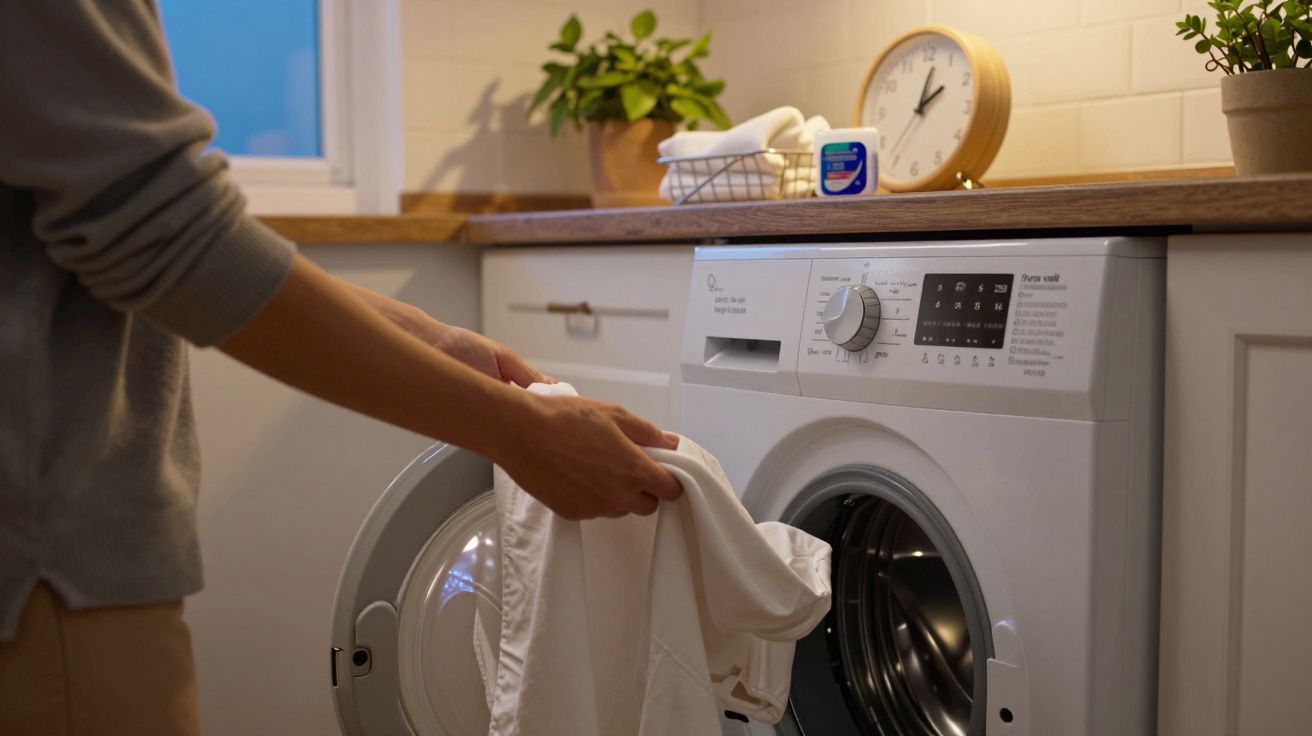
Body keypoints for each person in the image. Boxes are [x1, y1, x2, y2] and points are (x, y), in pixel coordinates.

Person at [0, 2, 682, 734]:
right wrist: (519, 433)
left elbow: (140, 222)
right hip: (44, 566)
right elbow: (161, 230)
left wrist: (426, 337)